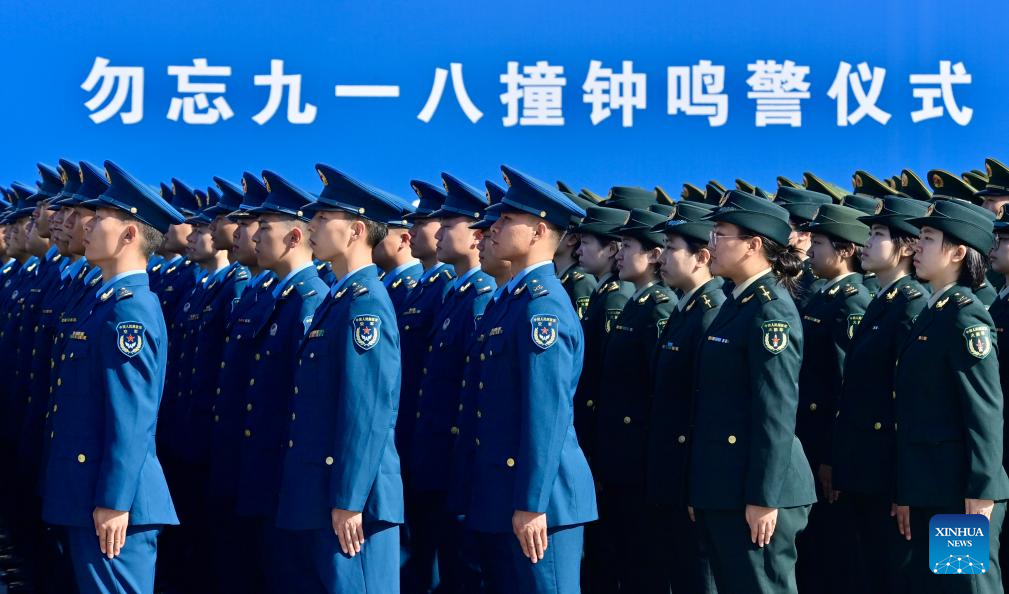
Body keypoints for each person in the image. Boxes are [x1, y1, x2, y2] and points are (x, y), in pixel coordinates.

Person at [40, 160, 181, 594]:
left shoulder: (129, 310)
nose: (87, 225)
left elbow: (132, 416)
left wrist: (115, 500)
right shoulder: (103, 301)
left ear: (129, 234)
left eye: (100, 217)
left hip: (116, 505)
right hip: (89, 492)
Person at [464, 165, 596, 594]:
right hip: (507, 493)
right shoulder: (511, 301)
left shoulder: (543, 307)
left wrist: (531, 502)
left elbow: (547, 412)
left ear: (539, 231)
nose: (493, 228)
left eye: (506, 220)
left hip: (542, 504)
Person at [275, 164, 404, 594]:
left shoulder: (364, 303)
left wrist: (349, 498)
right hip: (326, 491)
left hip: (353, 500)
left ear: (356, 230)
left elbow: (367, 409)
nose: (311, 225)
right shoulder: (340, 298)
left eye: (323, 217)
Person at [689, 190, 816, 594]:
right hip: (726, 484)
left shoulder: (769, 310)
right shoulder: (737, 302)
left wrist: (764, 496)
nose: (711, 244)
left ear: (753, 245)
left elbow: (775, 409)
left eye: (720, 234)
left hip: (757, 492)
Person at [896, 199, 1009, 592]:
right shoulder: (934, 313)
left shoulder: (965, 316)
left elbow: (984, 411)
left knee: (968, 587)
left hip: (960, 491)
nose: (917, 246)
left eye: (928, 238)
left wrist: (981, 491)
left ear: (958, 253)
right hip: (931, 485)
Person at [832, 196, 928, 593]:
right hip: (868, 470)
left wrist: (904, 486)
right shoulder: (883, 302)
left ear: (905, 247)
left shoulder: (911, 307)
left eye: (877, 235)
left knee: (912, 577)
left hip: (893, 476)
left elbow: (913, 405)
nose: (866, 243)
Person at [407, 172, 493, 593]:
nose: (438, 232)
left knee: (460, 573)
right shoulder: (456, 293)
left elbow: (474, 389)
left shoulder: (480, 296)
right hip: (436, 456)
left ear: (477, 234)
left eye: (449, 224)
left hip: (458, 462)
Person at [593, 207, 675, 592]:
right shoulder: (636, 301)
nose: (619, 254)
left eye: (627, 246)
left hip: (638, 459)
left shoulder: (659, 306)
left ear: (654, 255)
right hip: (619, 457)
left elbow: (659, 389)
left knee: (644, 564)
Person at [793, 204, 871, 593]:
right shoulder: (822, 296)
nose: (810, 251)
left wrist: (832, 457)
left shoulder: (852, 300)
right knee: (818, 553)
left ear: (845, 250)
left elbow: (845, 386)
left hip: (828, 448)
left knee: (839, 556)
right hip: (811, 441)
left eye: (819, 243)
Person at [645, 200, 721, 594]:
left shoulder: (711, 312)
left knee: (699, 578)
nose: (661, 258)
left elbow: (706, 408)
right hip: (672, 474)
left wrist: (697, 483)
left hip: (692, 476)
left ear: (701, 257)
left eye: (672, 249)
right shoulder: (685, 308)